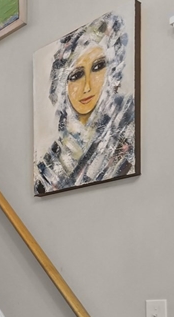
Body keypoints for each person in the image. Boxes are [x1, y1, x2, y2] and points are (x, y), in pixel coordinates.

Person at [34, 11, 136, 195]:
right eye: (76, 75)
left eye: (98, 67)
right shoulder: (50, 163)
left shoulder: (127, 124)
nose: (87, 87)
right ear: (63, 85)